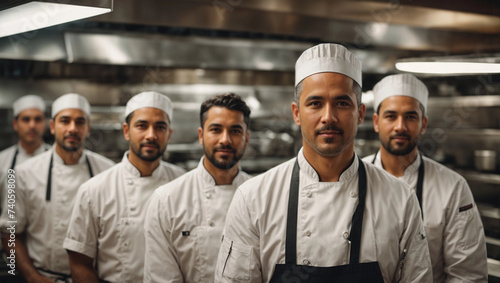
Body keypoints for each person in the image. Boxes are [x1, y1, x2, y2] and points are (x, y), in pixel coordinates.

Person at [214, 43, 432, 282]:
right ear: (297, 113)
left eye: (342, 103)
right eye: (315, 103)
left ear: (360, 113)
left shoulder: (400, 199)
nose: (328, 117)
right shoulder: (253, 199)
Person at [363, 74, 487, 282]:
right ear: (376, 122)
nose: (400, 126)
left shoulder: (453, 187)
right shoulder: (355, 178)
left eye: (410, 117)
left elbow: (467, 275)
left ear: (423, 124)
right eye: (391, 116)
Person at [64, 91, 186, 283]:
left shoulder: (184, 185)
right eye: (142, 126)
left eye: (160, 127)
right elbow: (79, 263)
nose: (151, 135)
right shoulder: (94, 190)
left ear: (169, 133)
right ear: (126, 131)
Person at [0, 93, 115, 282]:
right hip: (42, 277)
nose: (72, 128)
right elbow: (9, 233)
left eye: (80, 122)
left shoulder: (108, 171)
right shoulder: (20, 174)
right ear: (52, 127)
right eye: (65, 121)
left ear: (88, 128)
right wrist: (29, 277)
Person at [144, 93, 252, 283]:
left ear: (247, 137)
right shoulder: (166, 200)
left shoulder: (259, 196)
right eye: (216, 130)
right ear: (201, 135)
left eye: (235, 131)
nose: (225, 140)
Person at [0, 95, 51, 209]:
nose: (32, 125)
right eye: (26, 119)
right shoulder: (2, 161)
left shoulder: (56, 159)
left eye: (38, 119)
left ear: (45, 123)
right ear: (15, 124)